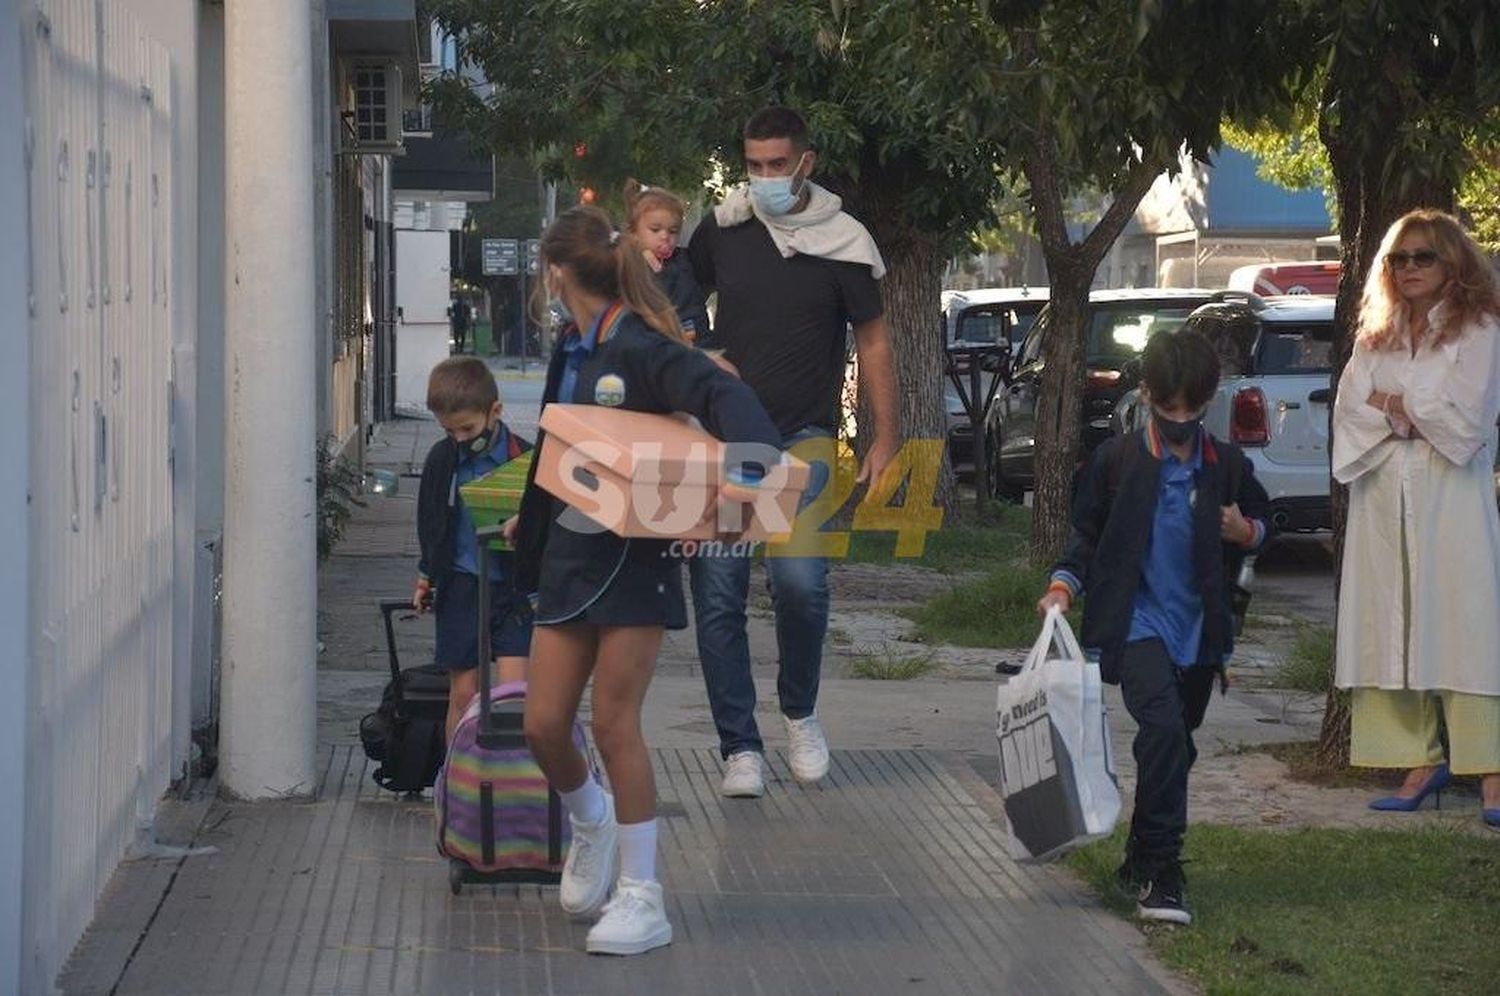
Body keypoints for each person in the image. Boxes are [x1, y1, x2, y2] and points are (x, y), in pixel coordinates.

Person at [509, 206, 784, 955]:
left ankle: (643, 896)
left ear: (557, 274)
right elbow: (552, 453)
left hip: (637, 559)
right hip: (568, 558)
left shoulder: (641, 344)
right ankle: (591, 820)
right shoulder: (572, 346)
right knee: (542, 725)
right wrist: (526, 537)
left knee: (612, 722)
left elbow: (729, 399)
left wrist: (748, 474)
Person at [687, 105, 901, 798]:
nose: (765, 178)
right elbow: (674, 303)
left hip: (805, 438)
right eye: (753, 165)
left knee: (801, 585)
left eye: (777, 165)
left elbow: (872, 342)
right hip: (724, 443)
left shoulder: (842, 243)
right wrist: (699, 354)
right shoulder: (723, 231)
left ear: (805, 163)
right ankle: (738, 748)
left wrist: (885, 438)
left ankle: (800, 713)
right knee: (718, 594)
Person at [1038, 329, 1272, 925]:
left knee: (1175, 744)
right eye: (1168, 409)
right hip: (1135, 624)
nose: (1179, 420)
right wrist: (1064, 585)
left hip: (1201, 634)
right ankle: (1165, 874)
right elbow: (1086, 536)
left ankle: (1138, 856)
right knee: (1165, 732)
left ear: (1208, 400)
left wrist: (1247, 533)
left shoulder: (1227, 465)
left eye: (1191, 410)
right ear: (1146, 395)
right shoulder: (1116, 462)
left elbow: (1265, 518)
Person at [1331, 208, 1500, 830]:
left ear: (1452, 261)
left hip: (1451, 493)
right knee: (1389, 619)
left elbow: (1469, 419)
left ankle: (1492, 769)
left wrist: (1397, 402)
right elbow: (1352, 408)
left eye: (1422, 257)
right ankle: (1416, 761)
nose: (1408, 269)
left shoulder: (1480, 329)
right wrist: (1410, 410)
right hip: (1384, 490)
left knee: (1465, 619)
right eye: (1398, 259)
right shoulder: (1377, 330)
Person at [413, 356, 533, 742]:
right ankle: (456, 783)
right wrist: (426, 575)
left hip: (514, 592)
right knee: (464, 694)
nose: (460, 438)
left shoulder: (524, 458)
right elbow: (430, 519)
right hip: (462, 586)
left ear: (495, 410)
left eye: (467, 428)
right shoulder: (443, 458)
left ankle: (513, 784)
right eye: (449, 430)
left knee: (515, 696)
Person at [623, 179, 711, 344]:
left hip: (696, 341)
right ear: (633, 232)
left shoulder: (683, 260)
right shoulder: (629, 267)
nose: (665, 236)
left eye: (673, 231)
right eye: (655, 230)